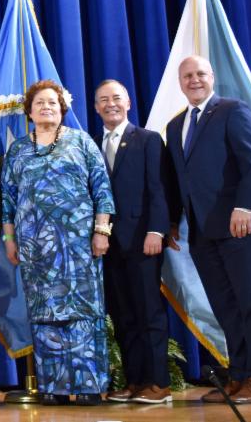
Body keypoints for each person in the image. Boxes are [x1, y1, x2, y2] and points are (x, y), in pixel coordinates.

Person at [166, 56, 251, 405]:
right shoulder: (175, 126)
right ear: (180, 83)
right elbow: (177, 180)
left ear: (211, 77)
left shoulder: (233, 110)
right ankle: (240, 376)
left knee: (250, 303)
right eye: (188, 76)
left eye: (200, 73)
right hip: (201, 231)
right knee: (226, 307)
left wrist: (243, 207)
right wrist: (172, 221)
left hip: (238, 224)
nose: (194, 80)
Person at [1, 80, 113, 406]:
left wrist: (101, 232)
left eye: (52, 102)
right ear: (30, 111)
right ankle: (54, 386)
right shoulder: (18, 149)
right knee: (46, 314)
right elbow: (7, 198)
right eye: (39, 103)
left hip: (80, 247)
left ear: (62, 108)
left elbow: (102, 189)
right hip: (35, 250)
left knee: (82, 314)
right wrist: (10, 239)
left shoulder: (81, 142)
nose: (46, 107)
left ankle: (89, 385)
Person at [92, 80, 173, 404]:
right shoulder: (90, 144)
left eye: (116, 98)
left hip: (142, 241)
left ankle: (159, 383)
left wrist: (157, 230)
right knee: (123, 315)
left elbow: (159, 189)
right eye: (103, 100)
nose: (110, 104)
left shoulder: (148, 140)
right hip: (107, 246)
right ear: (96, 107)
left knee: (149, 313)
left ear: (128, 103)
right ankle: (135, 380)